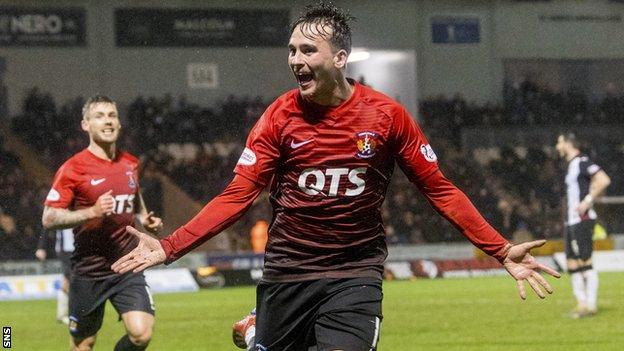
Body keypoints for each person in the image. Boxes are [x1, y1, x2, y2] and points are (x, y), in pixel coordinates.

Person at [112, 3, 560, 350]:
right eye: (291, 50)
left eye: (308, 50)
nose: (296, 59)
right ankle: (256, 331)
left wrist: (498, 249)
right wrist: (171, 246)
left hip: (355, 274)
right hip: (288, 272)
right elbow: (237, 197)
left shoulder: (386, 116)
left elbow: (438, 189)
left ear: (340, 57)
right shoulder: (278, 118)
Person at [42, 95, 164, 351]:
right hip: (89, 272)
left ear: (119, 124)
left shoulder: (130, 162)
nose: (107, 121)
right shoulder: (73, 169)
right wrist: (91, 212)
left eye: (112, 116)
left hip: (126, 265)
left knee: (141, 334)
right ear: (85, 125)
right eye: (99, 116)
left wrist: (144, 217)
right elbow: (49, 217)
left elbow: (134, 192)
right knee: (84, 344)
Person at [555, 133, 611, 318]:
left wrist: (587, 200)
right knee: (572, 262)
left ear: (568, 144)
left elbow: (603, 180)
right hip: (571, 221)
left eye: (559, 142)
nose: (557, 146)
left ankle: (591, 305)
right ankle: (581, 303)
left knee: (585, 261)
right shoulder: (571, 166)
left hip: (583, 219)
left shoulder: (582, 161)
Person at [36, 228, 75, 325]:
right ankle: (65, 315)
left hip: (79, 249)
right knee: (69, 279)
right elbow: (47, 226)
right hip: (66, 250)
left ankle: (64, 314)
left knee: (71, 280)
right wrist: (41, 247)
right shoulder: (61, 212)